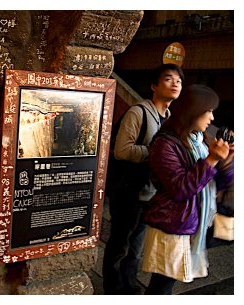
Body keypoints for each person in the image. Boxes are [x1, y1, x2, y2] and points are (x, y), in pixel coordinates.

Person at [142, 84, 234, 294]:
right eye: (208, 111)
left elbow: (214, 184)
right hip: (172, 225)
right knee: (161, 286)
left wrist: (227, 162)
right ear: (193, 110)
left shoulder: (198, 141)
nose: (211, 118)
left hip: (192, 221)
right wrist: (211, 159)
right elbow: (179, 189)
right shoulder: (164, 144)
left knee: (165, 284)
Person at [102, 63, 184, 294]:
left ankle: (129, 289)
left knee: (136, 249)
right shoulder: (138, 112)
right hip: (129, 191)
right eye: (168, 79)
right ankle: (113, 290)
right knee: (120, 245)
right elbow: (122, 150)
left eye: (179, 80)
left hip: (151, 193)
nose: (175, 83)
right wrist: (157, 154)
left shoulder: (169, 118)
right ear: (154, 86)